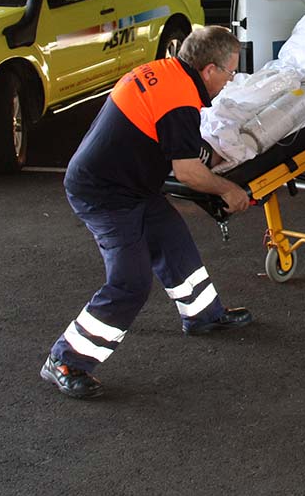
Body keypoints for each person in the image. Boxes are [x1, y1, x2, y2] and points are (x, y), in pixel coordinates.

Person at [40, 26, 254, 400]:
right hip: (105, 193)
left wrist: (208, 158)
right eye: (229, 72)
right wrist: (229, 189)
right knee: (130, 281)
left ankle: (204, 315)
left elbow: (172, 140)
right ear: (208, 70)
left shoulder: (163, 73)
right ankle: (66, 361)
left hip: (128, 183)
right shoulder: (181, 100)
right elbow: (187, 171)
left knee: (173, 241)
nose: (230, 80)